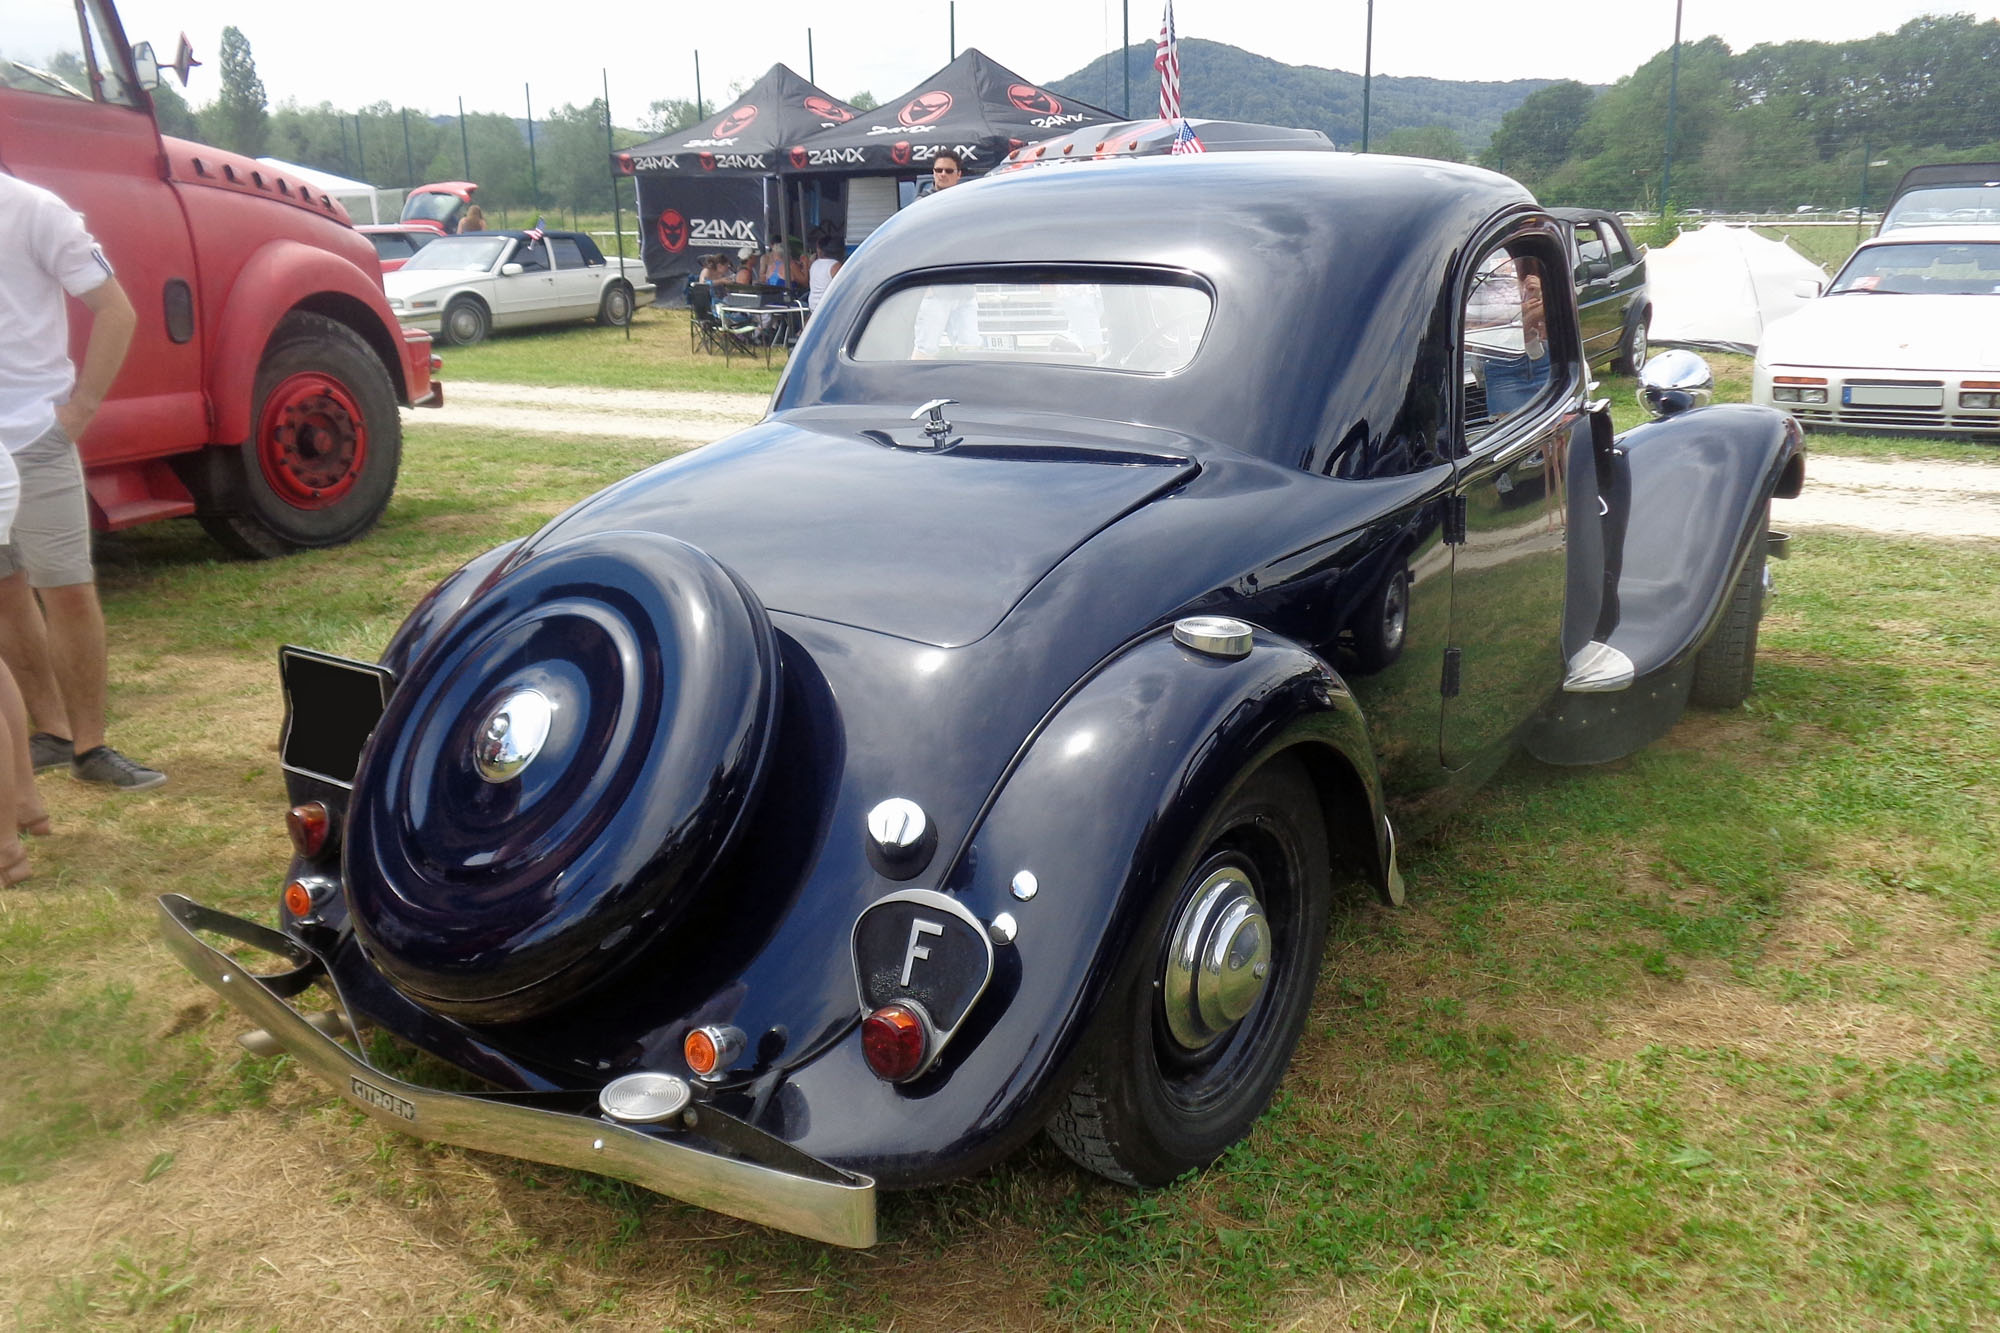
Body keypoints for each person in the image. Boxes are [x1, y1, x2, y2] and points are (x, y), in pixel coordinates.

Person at [0, 172, 162, 793]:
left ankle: (92, 745)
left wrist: (80, 409)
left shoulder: (35, 209)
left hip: (33, 434)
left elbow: (115, 309)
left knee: (65, 588)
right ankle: (51, 731)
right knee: (4, 589)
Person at [808, 236, 843, 309]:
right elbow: (843, 287)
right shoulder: (835, 265)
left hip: (813, 305)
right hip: (827, 306)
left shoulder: (815, 264)